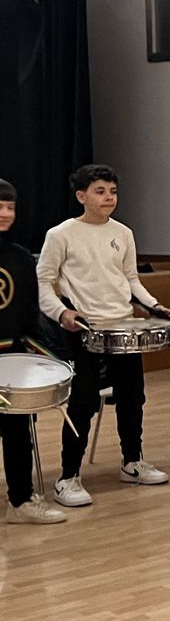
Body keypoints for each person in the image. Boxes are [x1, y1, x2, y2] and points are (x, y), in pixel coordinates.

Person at [37, 164, 170, 506]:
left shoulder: (123, 232)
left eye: (112, 191)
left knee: (132, 398)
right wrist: (63, 313)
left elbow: (131, 279)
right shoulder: (61, 234)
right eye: (100, 191)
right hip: (84, 330)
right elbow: (42, 282)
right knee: (82, 404)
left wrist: (154, 306)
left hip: (123, 328)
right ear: (81, 196)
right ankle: (68, 477)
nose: (108, 197)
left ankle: (132, 462)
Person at [0, 179, 65, 524]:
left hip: (11, 359)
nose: (6, 214)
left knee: (16, 432)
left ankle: (21, 501)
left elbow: (28, 312)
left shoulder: (21, 257)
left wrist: (38, 352)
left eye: (10, 207)